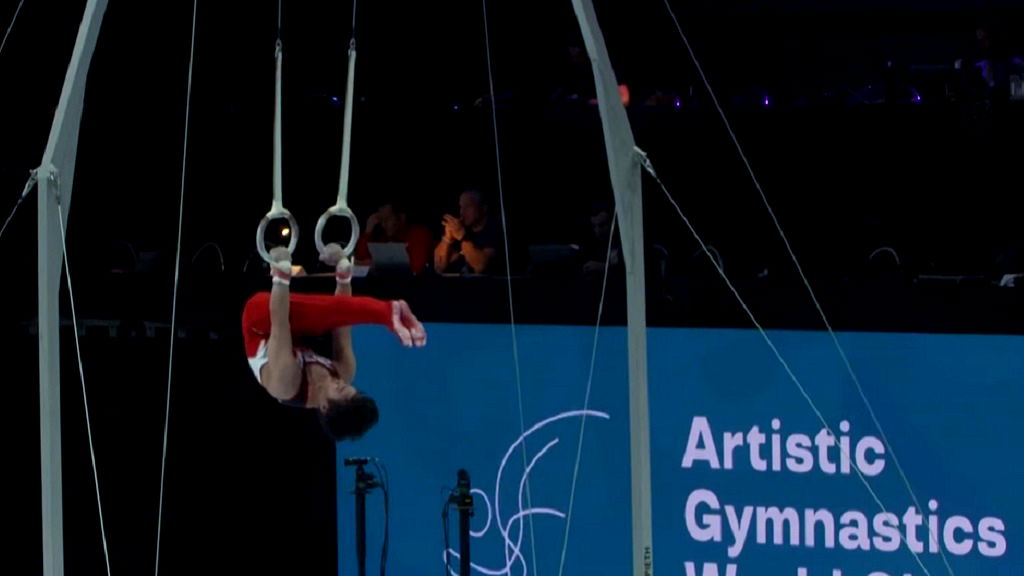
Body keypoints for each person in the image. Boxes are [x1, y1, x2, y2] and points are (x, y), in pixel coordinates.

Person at [241, 243, 426, 441]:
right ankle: (384, 312)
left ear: (324, 407)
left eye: (339, 388)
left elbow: (279, 322)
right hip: (294, 328)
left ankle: (385, 312)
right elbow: (342, 322)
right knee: (321, 320)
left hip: (260, 322)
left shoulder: (285, 385)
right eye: (347, 386)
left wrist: (281, 272)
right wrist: (343, 274)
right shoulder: (344, 372)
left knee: (302, 314)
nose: (340, 382)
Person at [434, 189, 504, 275]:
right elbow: (439, 267)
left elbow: (480, 266)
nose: (462, 212)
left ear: (483, 208)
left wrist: (463, 237)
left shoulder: (495, 229)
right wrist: (447, 239)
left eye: (468, 206)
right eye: (461, 207)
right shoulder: (461, 228)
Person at [353, 201, 433, 275]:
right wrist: (368, 231)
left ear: (401, 217)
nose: (383, 225)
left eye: (387, 220)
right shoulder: (383, 238)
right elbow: (360, 259)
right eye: (381, 220)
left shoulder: (418, 235)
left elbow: (416, 269)